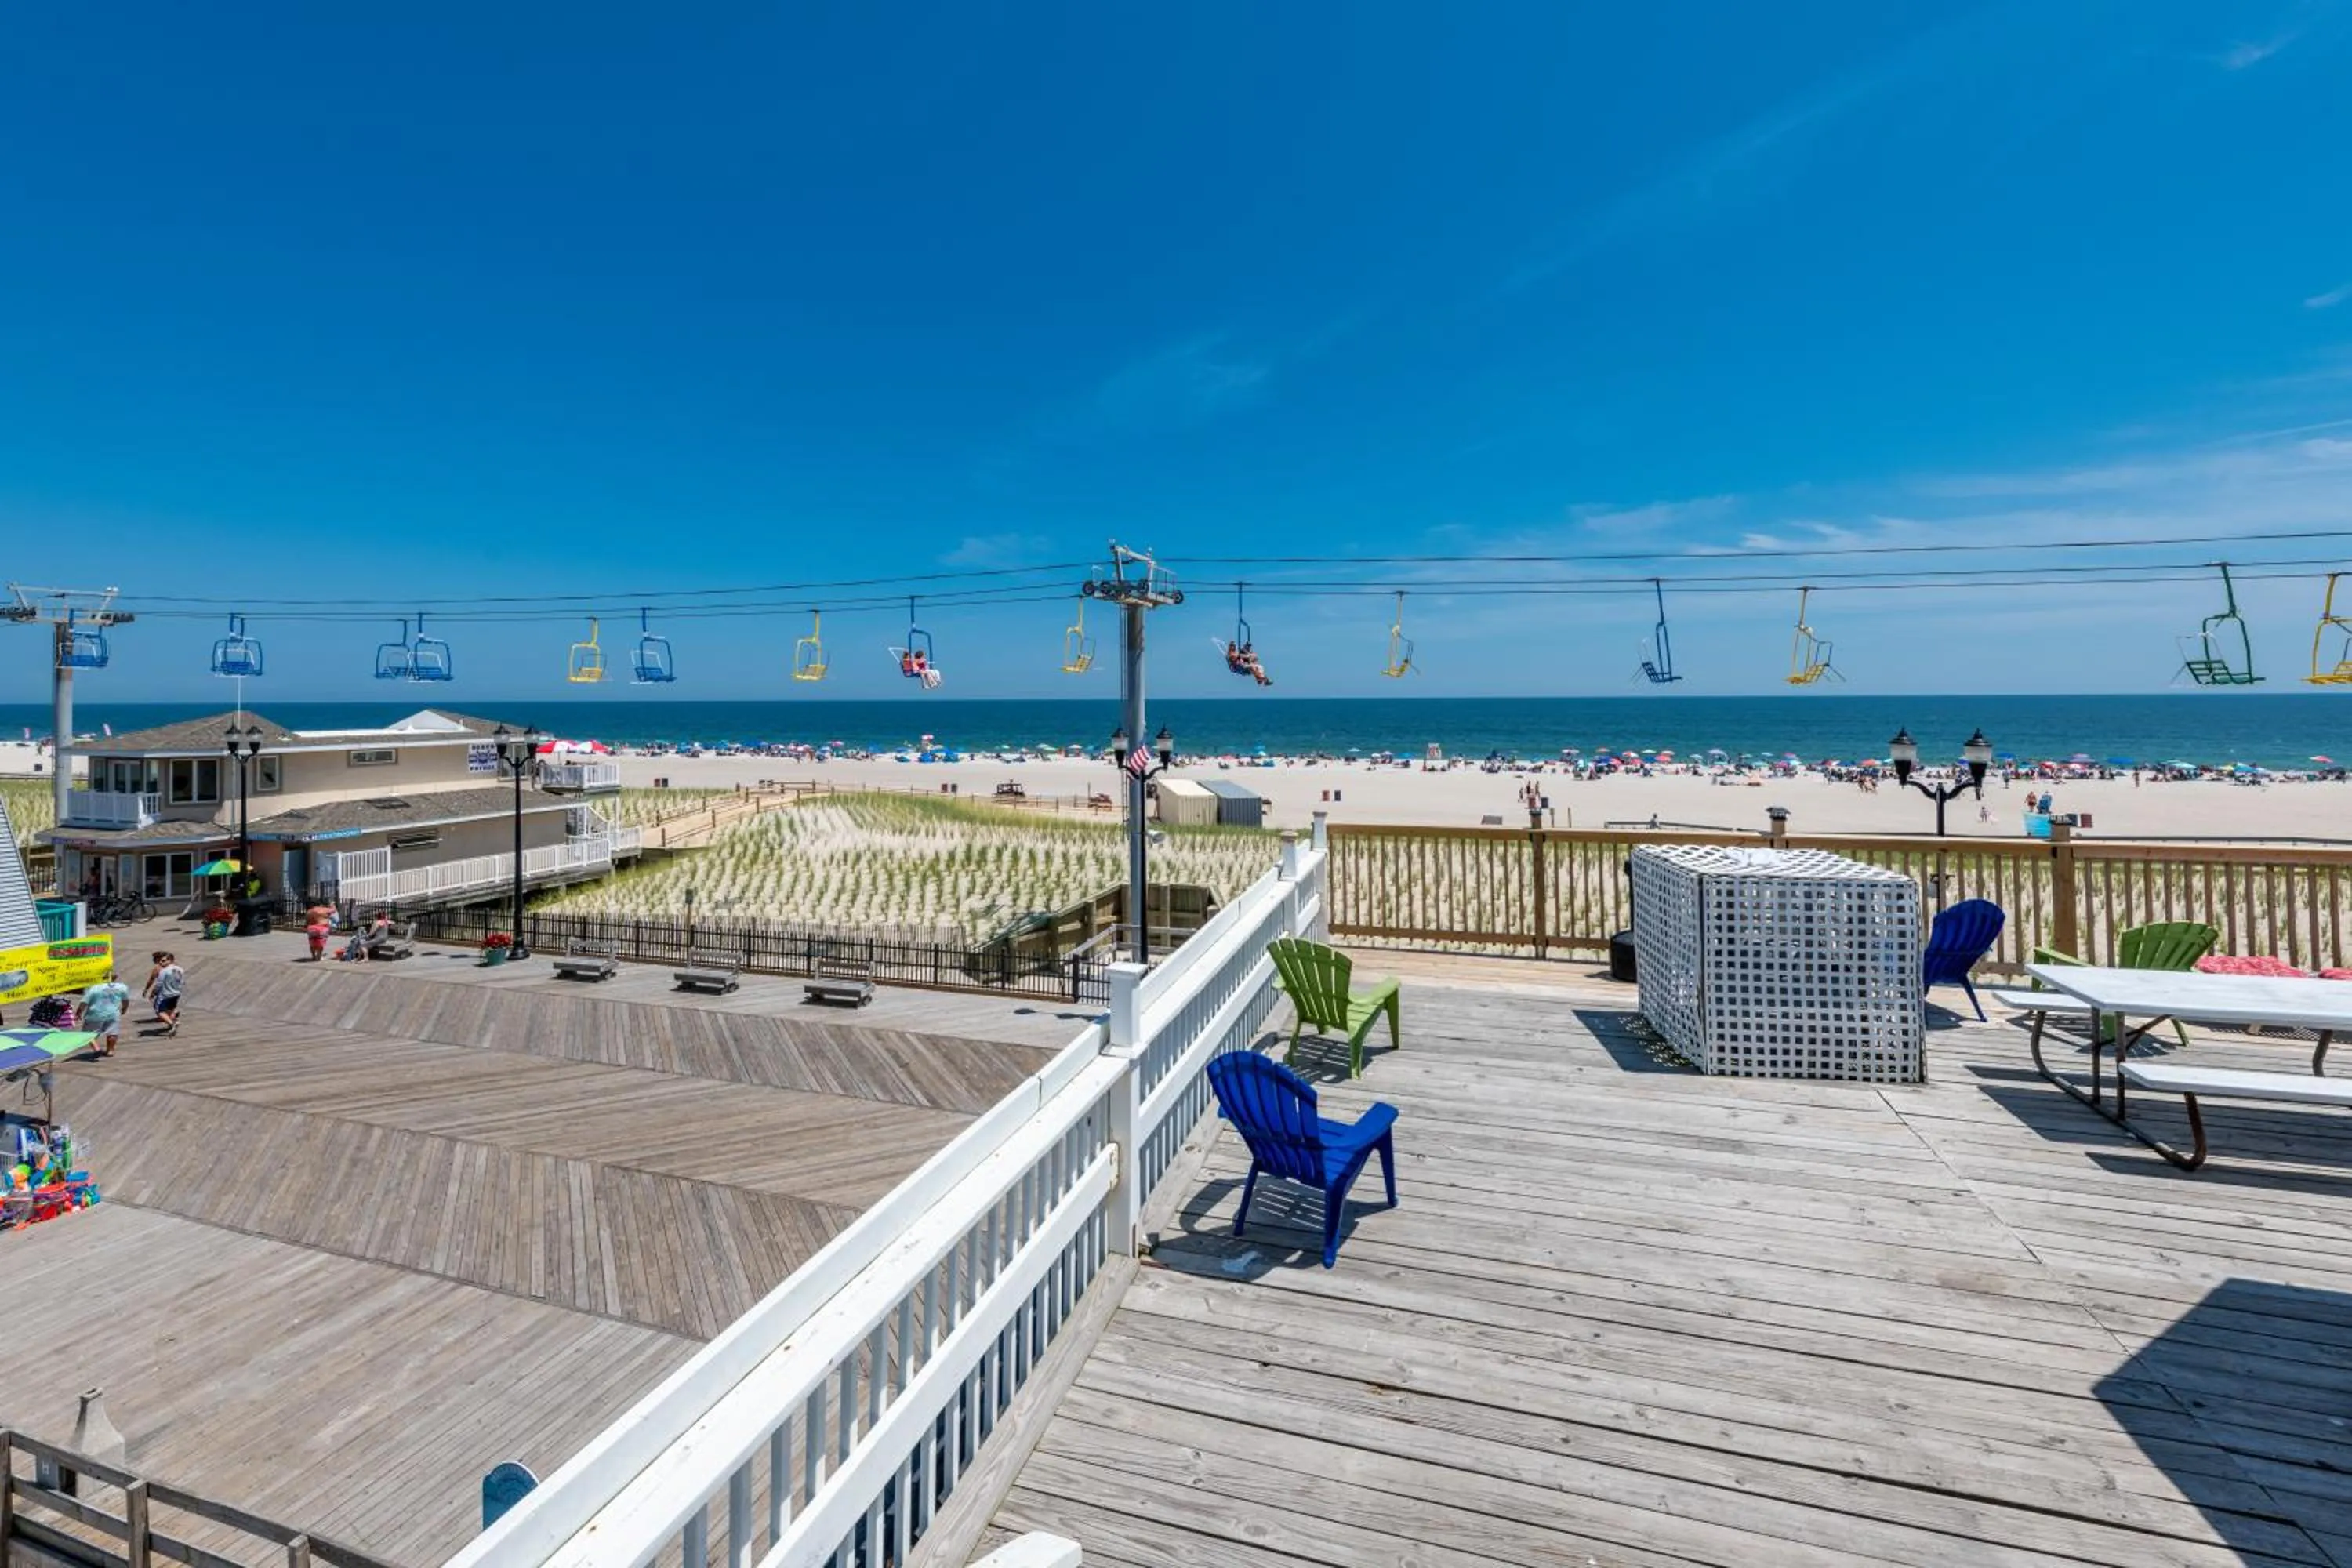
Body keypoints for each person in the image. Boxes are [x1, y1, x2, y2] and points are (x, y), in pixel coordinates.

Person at [80, 971, 132, 1058]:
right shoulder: (122, 987)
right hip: (113, 1013)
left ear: (103, 978)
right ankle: (110, 1051)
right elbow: (125, 1000)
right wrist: (124, 1009)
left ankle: (97, 1049)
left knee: (86, 1033)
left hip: (95, 1014)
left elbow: (84, 1001)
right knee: (112, 1032)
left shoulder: (95, 987)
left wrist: (79, 1012)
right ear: (115, 978)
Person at [147, 951, 184, 1036]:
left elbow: (159, 984)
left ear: (170, 960)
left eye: (163, 961)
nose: (161, 962)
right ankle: (171, 1024)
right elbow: (181, 981)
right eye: (160, 960)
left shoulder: (164, 971)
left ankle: (172, 1024)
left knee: (160, 1012)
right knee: (171, 1010)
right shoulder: (180, 969)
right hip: (176, 993)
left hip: (165, 994)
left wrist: (153, 993)